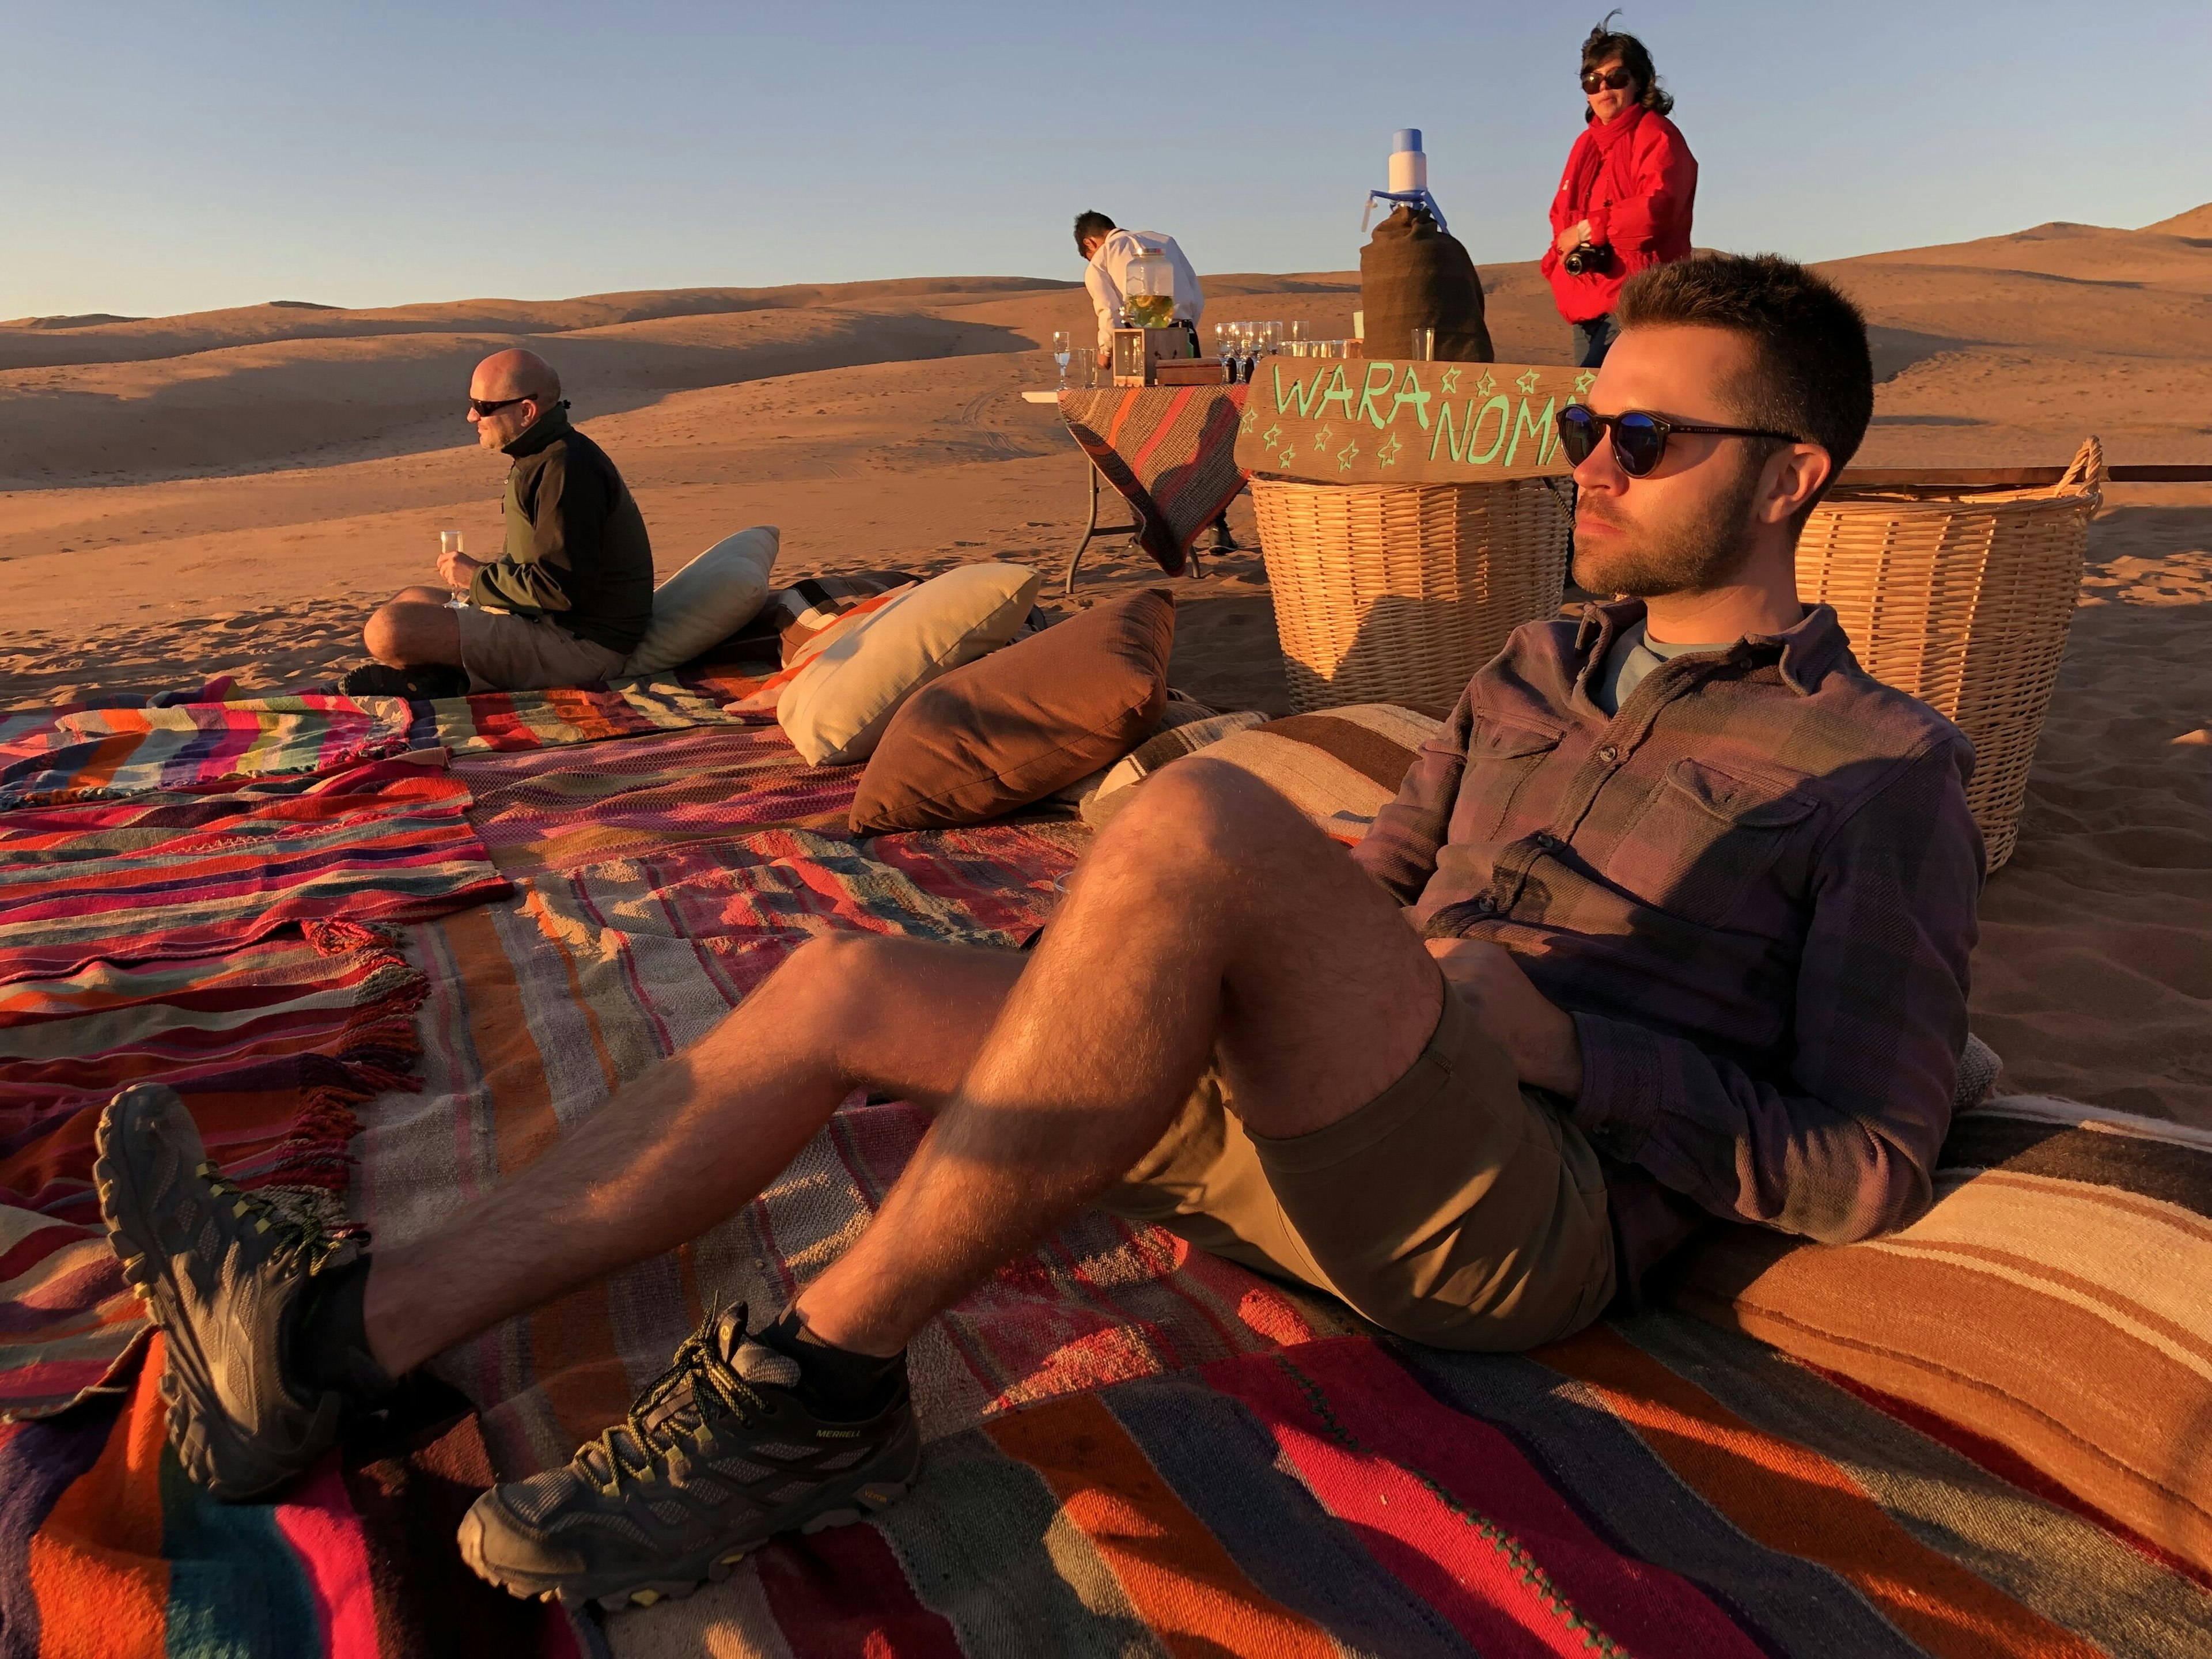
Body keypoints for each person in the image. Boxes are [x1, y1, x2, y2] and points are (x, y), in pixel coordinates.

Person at [96, 253, 1983, 1616]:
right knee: (847, 977)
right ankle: (346, 1332)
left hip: (1514, 1214)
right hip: (1343, 1093)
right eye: (1585, 420)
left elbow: (1876, 1155)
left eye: (1642, 436)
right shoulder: (1527, 670)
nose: (1587, 459)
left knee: (1207, 813)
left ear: (1788, 476)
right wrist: (1300, 953)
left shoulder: (1882, 771)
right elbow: (1388, 891)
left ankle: (817, 1391)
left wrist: (1574, 1049)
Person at [338, 349, 654, 700]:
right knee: (411, 599)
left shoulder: (566, 469)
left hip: (580, 646)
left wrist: (475, 577)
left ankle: (449, 682)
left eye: (484, 406)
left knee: (389, 630)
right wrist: (484, 580)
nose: (472, 416)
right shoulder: (540, 456)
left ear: (526, 411)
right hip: (545, 622)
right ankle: (444, 682)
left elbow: (558, 590)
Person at [1543, 15, 1698, 369]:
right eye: (1592, 81)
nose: (1603, 90)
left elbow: (1656, 210)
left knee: (1608, 397)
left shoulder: (1658, 135)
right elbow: (1559, 214)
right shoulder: (1585, 145)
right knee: (1587, 405)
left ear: (1638, 81)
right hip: (1585, 299)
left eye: (1616, 78)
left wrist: (1587, 231)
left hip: (1636, 302)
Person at [1075, 211, 1205, 361]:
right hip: (1186, 340)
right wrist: (1183, 332)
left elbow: (1109, 311)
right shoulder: (1167, 242)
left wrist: (1106, 350)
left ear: (1089, 243)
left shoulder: (1102, 257)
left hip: (1139, 345)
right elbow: (1196, 294)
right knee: (1192, 385)